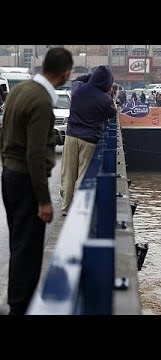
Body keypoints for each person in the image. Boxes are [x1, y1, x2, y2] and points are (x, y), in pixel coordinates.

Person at [0, 47, 73, 315]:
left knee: (19, 244)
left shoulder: (20, 91)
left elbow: (5, 131)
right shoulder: (41, 101)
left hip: (9, 175)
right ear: (65, 72)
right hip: (26, 181)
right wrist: (44, 199)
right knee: (28, 250)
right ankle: (21, 306)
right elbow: (35, 154)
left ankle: (15, 301)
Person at [59, 65, 117, 216]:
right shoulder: (104, 99)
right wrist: (111, 95)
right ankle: (80, 209)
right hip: (90, 140)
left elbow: (76, 79)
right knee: (84, 174)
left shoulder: (78, 89)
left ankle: (65, 208)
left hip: (71, 136)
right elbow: (112, 113)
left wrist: (91, 76)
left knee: (68, 173)